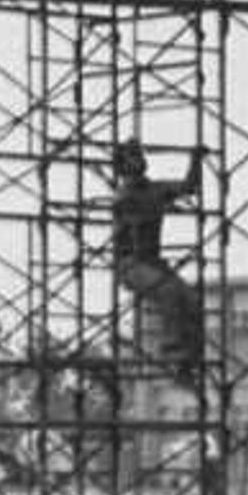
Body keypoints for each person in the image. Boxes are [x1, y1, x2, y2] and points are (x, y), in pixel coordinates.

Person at [108, 137, 203, 381]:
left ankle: (189, 360)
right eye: (132, 156)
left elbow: (188, 186)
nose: (139, 159)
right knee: (169, 291)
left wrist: (195, 160)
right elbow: (125, 221)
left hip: (152, 262)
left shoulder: (154, 190)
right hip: (130, 264)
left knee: (191, 299)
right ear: (122, 165)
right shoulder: (124, 196)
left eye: (139, 154)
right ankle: (172, 351)